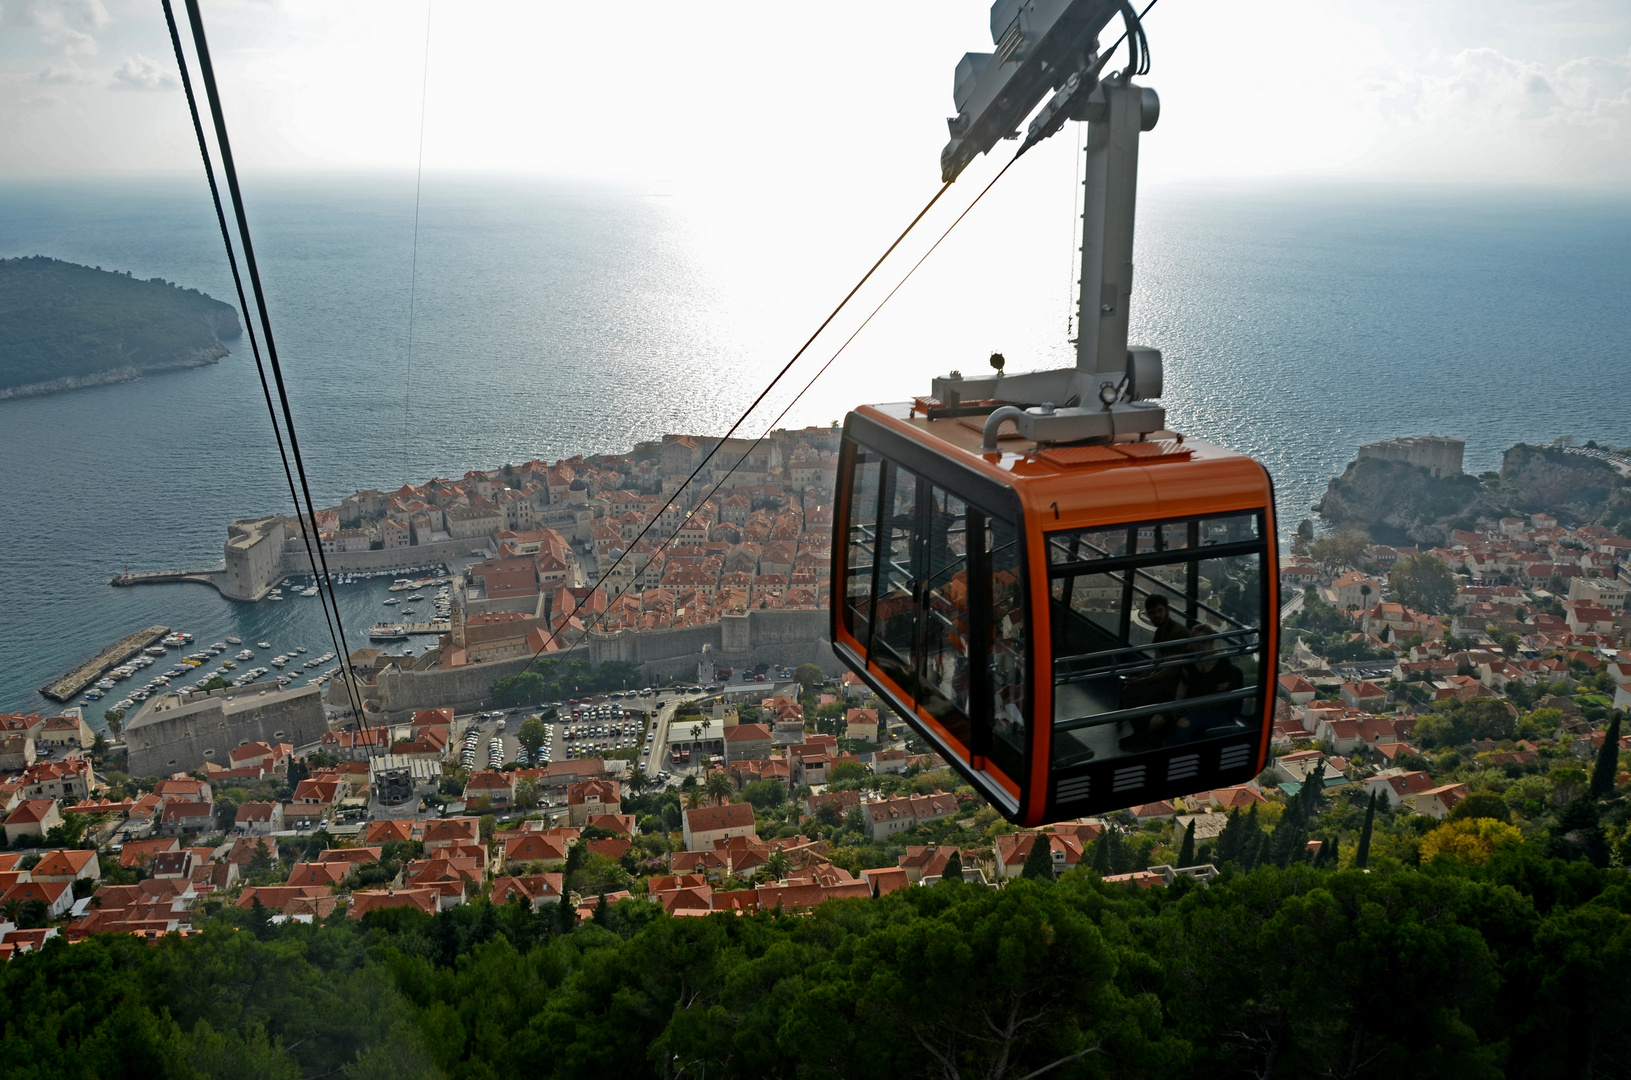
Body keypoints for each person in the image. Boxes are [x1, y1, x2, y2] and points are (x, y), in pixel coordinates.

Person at [1169, 624, 1246, 742]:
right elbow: (1183, 684)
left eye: (1203, 642)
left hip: (1215, 709)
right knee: (1157, 720)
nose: (1199, 646)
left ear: (1211, 642)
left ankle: (1182, 757)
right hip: (1191, 703)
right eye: (1196, 642)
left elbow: (1219, 698)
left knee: (1183, 724)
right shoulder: (1191, 659)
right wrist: (1177, 704)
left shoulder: (1222, 663)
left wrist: (1192, 707)